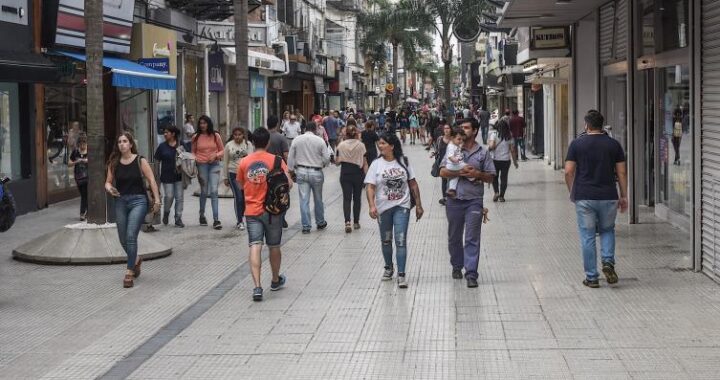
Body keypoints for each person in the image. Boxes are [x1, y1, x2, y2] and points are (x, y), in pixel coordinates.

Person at [564, 110, 627, 288]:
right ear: (601, 125)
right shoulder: (614, 145)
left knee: (588, 236)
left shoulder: (577, 144)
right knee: (608, 230)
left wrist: (572, 192)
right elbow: (621, 172)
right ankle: (608, 262)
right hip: (608, 196)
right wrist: (623, 196)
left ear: (587, 125)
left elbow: (568, 171)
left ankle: (591, 277)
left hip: (584, 196)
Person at [236, 127, 292, 301]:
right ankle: (275, 280)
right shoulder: (276, 160)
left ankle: (257, 287)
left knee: (255, 245)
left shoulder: (244, 162)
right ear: (268, 142)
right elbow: (289, 184)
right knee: (274, 246)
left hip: (252, 211)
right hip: (273, 211)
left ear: (253, 142)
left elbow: (240, 185)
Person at [439, 118, 496, 288]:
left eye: (466, 127)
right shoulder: (453, 148)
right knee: (454, 236)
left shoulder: (482, 152)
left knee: (472, 237)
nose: (462, 130)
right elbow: (441, 171)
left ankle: (471, 273)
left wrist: (477, 174)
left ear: (475, 130)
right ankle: (457, 265)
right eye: (461, 127)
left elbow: (491, 176)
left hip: (474, 200)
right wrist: (459, 173)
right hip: (454, 200)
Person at [365, 133, 424, 289]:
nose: (380, 145)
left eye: (383, 143)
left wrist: (418, 204)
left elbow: (413, 183)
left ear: (392, 146)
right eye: (380, 143)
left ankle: (402, 274)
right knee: (386, 240)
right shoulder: (376, 164)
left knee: (400, 240)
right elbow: (370, 186)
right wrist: (372, 205)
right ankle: (388, 267)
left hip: (402, 207)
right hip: (384, 208)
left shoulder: (404, 162)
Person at [105, 132, 161, 288]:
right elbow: (108, 182)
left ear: (130, 144)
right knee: (122, 239)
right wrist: (110, 189)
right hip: (121, 201)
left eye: (125, 141)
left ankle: (129, 272)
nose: (122, 144)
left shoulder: (140, 160)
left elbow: (151, 180)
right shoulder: (114, 163)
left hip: (139, 201)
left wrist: (157, 200)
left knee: (131, 236)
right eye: (119, 142)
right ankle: (136, 260)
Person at [287, 122, 330, 234]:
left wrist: (291, 171)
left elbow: (290, 157)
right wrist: (322, 164)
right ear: (315, 129)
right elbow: (326, 158)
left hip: (301, 171)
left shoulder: (297, 139)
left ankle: (306, 226)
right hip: (316, 172)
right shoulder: (320, 140)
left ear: (305, 129)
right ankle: (320, 222)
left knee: (304, 200)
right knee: (318, 199)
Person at [192, 115, 224, 230]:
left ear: (208, 124)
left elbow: (222, 150)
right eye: (200, 123)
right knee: (204, 191)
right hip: (202, 166)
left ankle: (216, 219)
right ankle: (202, 215)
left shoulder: (216, 136)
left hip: (214, 165)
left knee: (214, 191)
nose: (202, 125)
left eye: (204, 123)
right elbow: (193, 153)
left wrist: (216, 155)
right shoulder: (196, 137)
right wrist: (196, 160)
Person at [335, 124, 368, 233]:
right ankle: (356, 222)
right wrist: (367, 177)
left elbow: (337, 162)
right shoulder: (361, 145)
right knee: (357, 198)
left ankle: (347, 222)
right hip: (358, 173)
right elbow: (365, 163)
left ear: (346, 134)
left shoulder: (341, 145)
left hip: (345, 172)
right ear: (356, 133)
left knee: (347, 198)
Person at [154, 126, 185, 227]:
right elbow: (157, 161)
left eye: (167, 132)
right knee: (169, 196)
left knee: (179, 198)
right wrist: (156, 175)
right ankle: (166, 212)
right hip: (166, 176)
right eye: (164, 132)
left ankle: (178, 218)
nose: (165, 134)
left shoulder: (181, 145)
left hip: (179, 176)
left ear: (173, 134)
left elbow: (188, 157)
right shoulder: (162, 146)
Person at [223, 127, 252, 230]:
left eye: (239, 134)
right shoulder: (228, 145)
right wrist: (225, 177)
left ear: (243, 135)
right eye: (235, 135)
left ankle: (243, 215)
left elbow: (251, 160)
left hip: (245, 175)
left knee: (244, 198)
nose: (237, 137)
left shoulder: (248, 145)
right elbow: (225, 161)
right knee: (238, 197)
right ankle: (239, 221)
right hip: (233, 173)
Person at [266, 115, 290, 228]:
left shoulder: (264, 137)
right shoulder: (281, 138)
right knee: (282, 194)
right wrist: (289, 169)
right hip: (278, 170)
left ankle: (269, 213)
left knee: (268, 193)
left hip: (266, 169)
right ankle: (281, 218)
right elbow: (286, 154)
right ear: (277, 124)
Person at [488, 119, 518, 202]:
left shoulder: (494, 134)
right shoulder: (509, 136)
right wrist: (515, 162)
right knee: (504, 178)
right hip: (505, 160)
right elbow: (512, 150)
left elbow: (491, 146)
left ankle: (496, 192)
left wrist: (490, 146)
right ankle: (502, 196)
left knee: (495, 177)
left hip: (495, 160)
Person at [444, 127, 469, 199]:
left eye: (461, 139)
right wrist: (455, 160)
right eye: (459, 139)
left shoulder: (455, 144)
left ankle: (452, 189)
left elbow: (459, 148)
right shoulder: (451, 146)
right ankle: (473, 179)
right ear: (452, 138)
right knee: (467, 167)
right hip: (453, 165)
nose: (461, 141)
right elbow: (450, 156)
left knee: (456, 176)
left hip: (454, 165)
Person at [69, 135, 89, 220]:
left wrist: (87, 161)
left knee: (84, 194)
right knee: (84, 195)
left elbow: (95, 161)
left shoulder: (90, 151)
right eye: (81, 144)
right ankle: (88, 211)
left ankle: (82, 213)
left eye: (84, 143)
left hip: (88, 177)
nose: (82, 146)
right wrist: (76, 162)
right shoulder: (75, 152)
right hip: (79, 177)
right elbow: (69, 163)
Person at [432, 123, 452, 205]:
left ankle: (451, 197)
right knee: (444, 180)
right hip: (442, 164)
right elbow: (437, 149)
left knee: (451, 180)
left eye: (448, 128)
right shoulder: (440, 139)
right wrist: (434, 153)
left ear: (451, 130)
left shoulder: (453, 139)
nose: (446, 130)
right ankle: (445, 197)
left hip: (451, 163)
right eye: (445, 128)